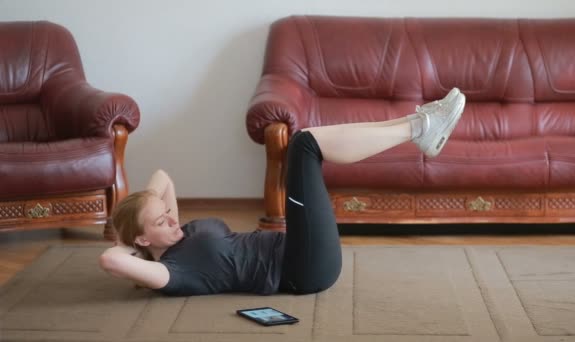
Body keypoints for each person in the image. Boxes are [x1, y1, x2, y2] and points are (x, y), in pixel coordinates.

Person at [99, 88, 466, 296]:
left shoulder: (177, 234)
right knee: (304, 145)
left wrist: (144, 213)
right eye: (161, 221)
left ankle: (420, 125)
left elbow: (163, 177)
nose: (171, 218)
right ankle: (421, 127)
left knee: (306, 145)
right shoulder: (174, 273)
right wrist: (135, 243)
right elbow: (111, 260)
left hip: (299, 248)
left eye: (166, 213)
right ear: (144, 240)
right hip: (301, 269)